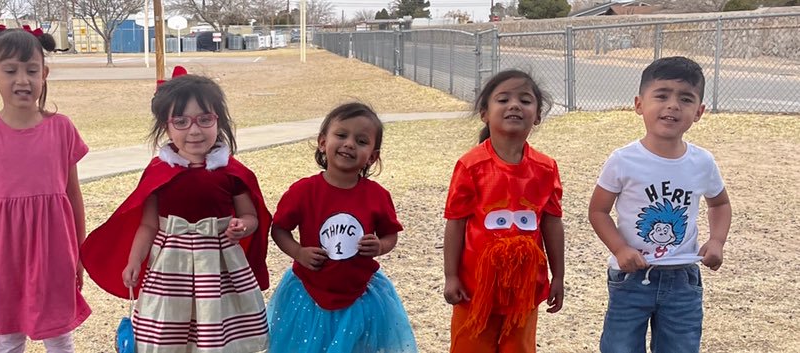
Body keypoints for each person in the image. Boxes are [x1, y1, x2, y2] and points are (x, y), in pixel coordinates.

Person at [82, 70, 270, 353]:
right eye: (180, 122)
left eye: (204, 119)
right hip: (170, 265)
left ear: (218, 120)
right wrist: (135, 260)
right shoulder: (160, 171)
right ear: (166, 127)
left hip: (218, 265)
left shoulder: (232, 172)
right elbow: (147, 225)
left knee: (214, 329)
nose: (194, 131)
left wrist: (243, 225)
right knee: (169, 331)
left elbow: (251, 216)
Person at [0, 24, 90, 352]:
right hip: (3, 254)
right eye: (10, 71)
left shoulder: (61, 129)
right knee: (8, 335)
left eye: (32, 70)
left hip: (55, 251)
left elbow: (73, 195)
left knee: (58, 334)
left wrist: (80, 253)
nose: (22, 80)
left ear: (44, 73)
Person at [589, 56, 732, 353]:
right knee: (620, 348)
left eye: (686, 98)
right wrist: (620, 248)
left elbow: (719, 204)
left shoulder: (702, 162)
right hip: (630, 278)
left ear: (699, 112)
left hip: (683, 278)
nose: (673, 105)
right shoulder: (622, 160)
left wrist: (717, 240)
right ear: (639, 104)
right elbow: (598, 211)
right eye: (662, 95)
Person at [267, 102, 418, 353]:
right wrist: (299, 252)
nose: (349, 143)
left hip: (361, 297)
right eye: (341, 135)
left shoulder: (377, 195)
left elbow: (391, 234)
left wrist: (380, 245)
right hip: (309, 293)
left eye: (361, 141)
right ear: (323, 142)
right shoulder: (303, 191)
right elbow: (279, 229)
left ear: (372, 156)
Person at [442, 69, 565, 353]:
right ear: (485, 113)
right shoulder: (471, 166)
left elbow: (552, 224)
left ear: (537, 115)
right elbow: (456, 223)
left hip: (524, 290)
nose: (514, 105)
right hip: (474, 290)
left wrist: (557, 276)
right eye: (503, 99)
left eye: (525, 100)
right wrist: (451, 276)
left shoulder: (546, 169)